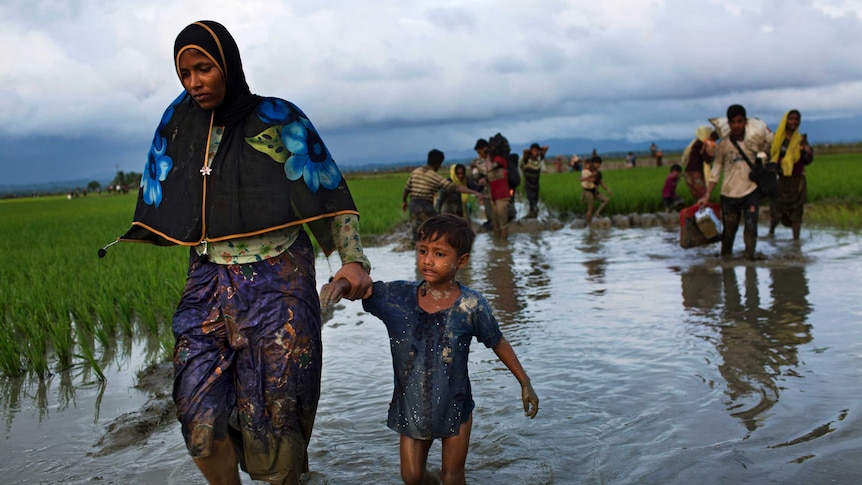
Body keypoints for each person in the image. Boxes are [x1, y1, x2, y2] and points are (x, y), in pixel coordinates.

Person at [112, 21, 373, 484]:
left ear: (228, 65)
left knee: (276, 417)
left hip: (279, 282)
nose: (194, 82)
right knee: (198, 416)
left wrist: (352, 260)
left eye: (204, 68)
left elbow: (327, 192)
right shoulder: (178, 124)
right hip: (208, 280)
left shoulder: (278, 119)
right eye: (185, 72)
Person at [319, 214, 539, 485]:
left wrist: (524, 381)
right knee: (412, 477)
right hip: (411, 406)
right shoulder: (397, 298)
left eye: (439, 254)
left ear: (461, 261)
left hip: (455, 406)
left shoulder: (471, 306)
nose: (428, 260)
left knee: (453, 477)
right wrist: (338, 285)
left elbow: (498, 341)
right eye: (423, 251)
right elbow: (361, 288)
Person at [697, 104, 772, 260]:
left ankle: (750, 262)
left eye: (740, 121)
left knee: (751, 228)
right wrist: (707, 195)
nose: (737, 125)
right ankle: (726, 263)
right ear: (729, 124)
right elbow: (715, 171)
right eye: (733, 122)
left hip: (751, 191)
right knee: (729, 233)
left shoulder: (754, 141)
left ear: (745, 122)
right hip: (729, 194)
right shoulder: (723, 145)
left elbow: (768, 154)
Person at [403, 149, 483, 240]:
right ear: (438, 163)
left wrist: (404, 201)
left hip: (413, 205)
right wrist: (475, 192)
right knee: (436, 229)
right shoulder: (435, 176)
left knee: (417, 232)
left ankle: (417, 249)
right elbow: (455, 188)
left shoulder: (415, 172)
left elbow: (407, 189)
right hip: (425, 205)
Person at [768, 110, 814, 240]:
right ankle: (771, 233)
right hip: (780, 180)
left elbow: (808, 160)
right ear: (786, 121)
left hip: (796, 182)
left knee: (797, 214)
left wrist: (806, 151)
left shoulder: (801, 140)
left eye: (796, 119)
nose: (794, 121)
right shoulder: (778, 139)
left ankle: (796, 243)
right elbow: (772, 157)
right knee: (776, 211)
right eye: (791, 119)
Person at [682, 126, 718, 200]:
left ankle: (699, 210)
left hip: (688, 173)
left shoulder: (695, 143)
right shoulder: (703, 144)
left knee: (697, 196)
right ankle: (704, 211)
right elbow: (708, 160)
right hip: (696, 174)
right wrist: (712, 152)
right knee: (703, 195)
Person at [520, 143, 549, 218]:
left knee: (535, 200)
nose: (535, 153)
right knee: (531, 199)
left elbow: (546, 147)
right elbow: (524, 153)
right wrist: (528, 152)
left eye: (536, 151)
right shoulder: (527, 160)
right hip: (528, 184)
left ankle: (533, 213)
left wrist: (540, 150)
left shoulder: (539, 160)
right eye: (533, 151)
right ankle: (533, 212)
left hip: (536, 184)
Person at [580, 157, 612, 225]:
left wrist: (608, 190)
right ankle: (588, 224)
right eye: (597, 163)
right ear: (593, 163)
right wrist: (582, 195)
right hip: (588, 191)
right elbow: (585, 184)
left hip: (595, 192)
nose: (599, 165)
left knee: (606, 200)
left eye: (599, 164)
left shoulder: (599, 173)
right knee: (590, 209)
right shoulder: (588, 171)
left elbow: (601, 183)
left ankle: (597, 213)